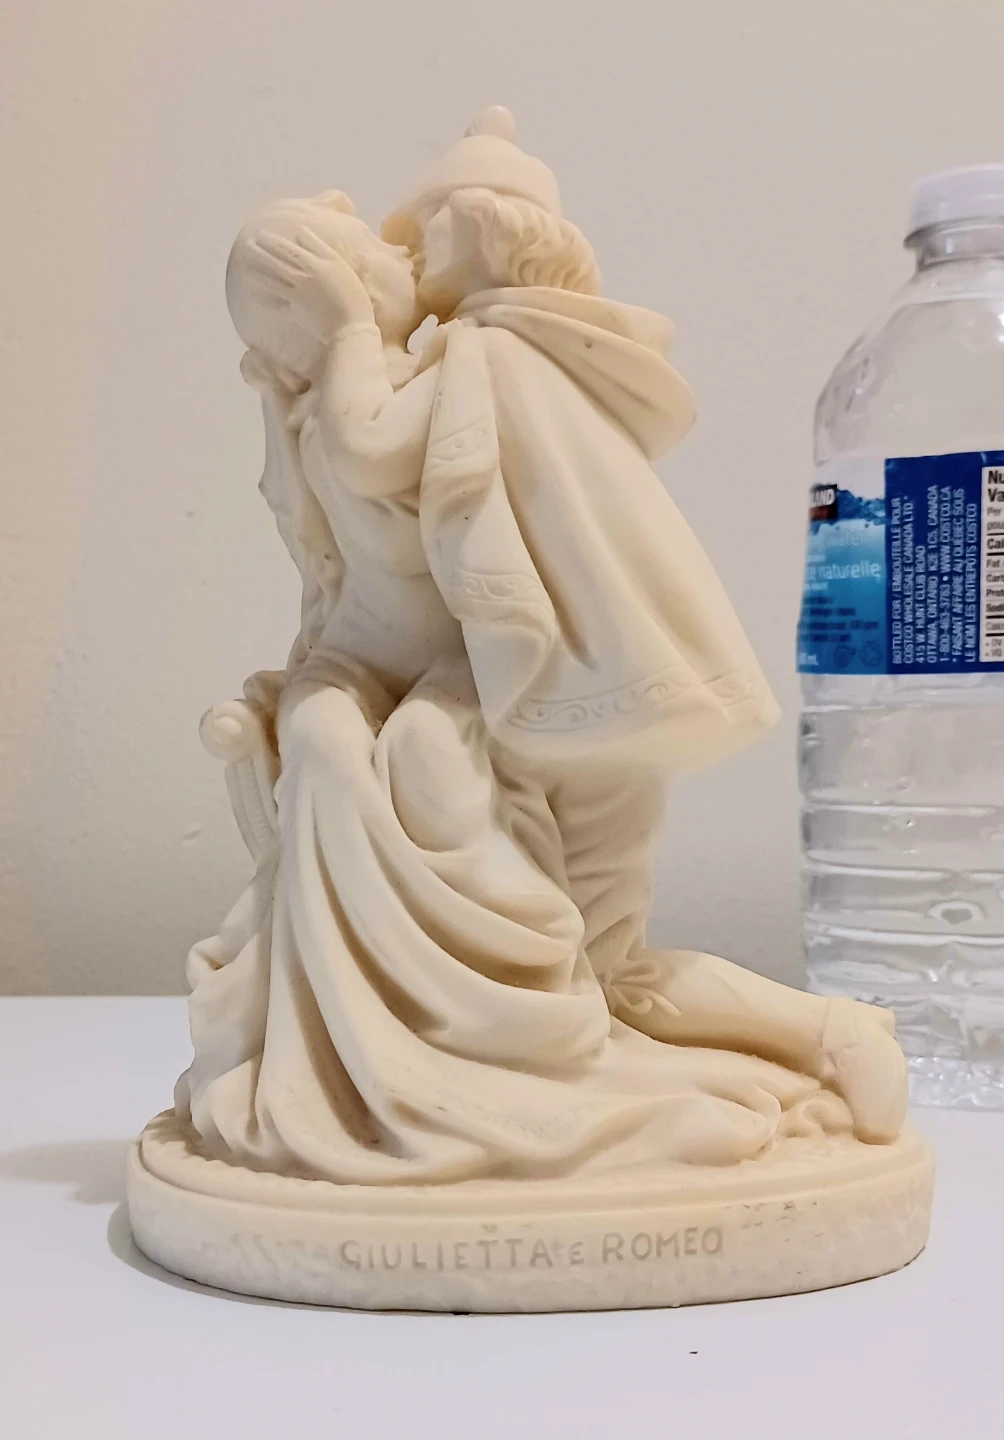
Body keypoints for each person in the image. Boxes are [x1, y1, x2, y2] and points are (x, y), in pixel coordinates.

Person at [174, 116, 906, 1188]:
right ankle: (424, 1048)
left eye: (411, 240)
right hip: (461, 693)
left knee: (593, 962)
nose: (400, 253)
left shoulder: (488, 357)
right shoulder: (363, 392)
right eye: (375, 254)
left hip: (555, 705)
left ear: (476, 235)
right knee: (586, 962)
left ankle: (792, 1036)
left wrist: (341, 331)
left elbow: (375, 451)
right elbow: (335, 578)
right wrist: (298, 693)